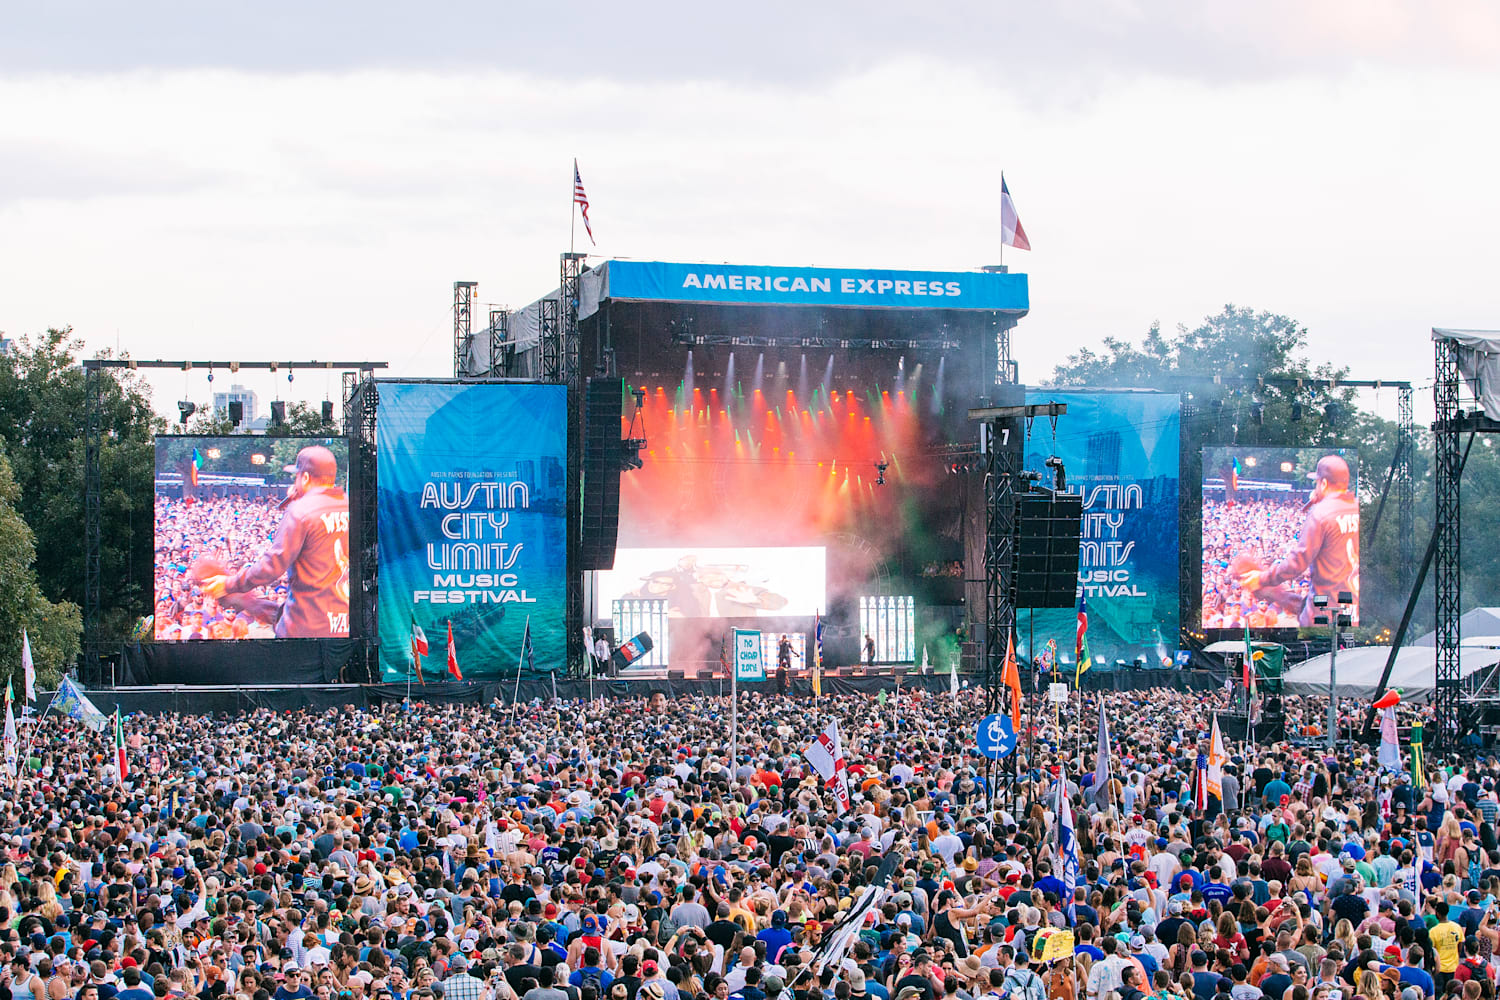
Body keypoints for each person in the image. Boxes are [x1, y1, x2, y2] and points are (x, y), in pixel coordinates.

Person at [202, 445, 350, 637]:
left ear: (304, 477)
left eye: (296, 476)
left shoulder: (301, 510)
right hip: (343, 622)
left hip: (306, 625)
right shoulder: (348, 504)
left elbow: (272, 565)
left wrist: (229, 584)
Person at [1238, 455, 1360, 627]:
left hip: (1323, 613)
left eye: (1316, 483)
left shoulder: (1321, 513)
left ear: (1323, 484)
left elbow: (1297, 562)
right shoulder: (1357, 508)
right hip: (1352, 610)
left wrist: (1262, 579)